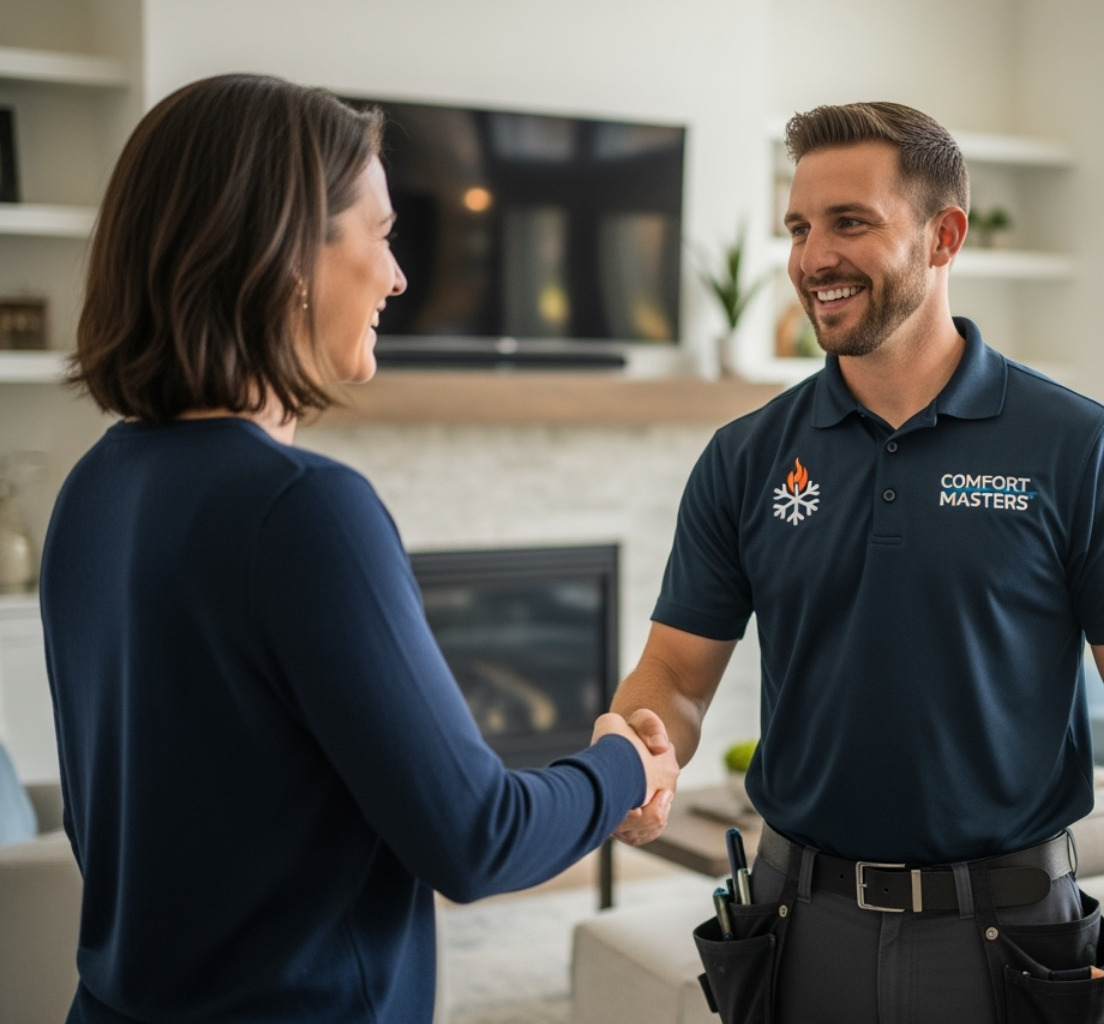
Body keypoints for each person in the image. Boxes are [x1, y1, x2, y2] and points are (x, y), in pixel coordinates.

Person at [39, 73, 677, 1024]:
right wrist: (624, 765)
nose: (398, 275)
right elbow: (476, 838)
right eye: (379, 235)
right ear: (291, 254)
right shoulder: (301, 511)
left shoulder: (93, 489)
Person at [611, 102, 1104, 1023]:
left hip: (1013, 940)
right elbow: (679, 674)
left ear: (945, 237)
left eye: (850, 223)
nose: (813, 259)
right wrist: (638, 752)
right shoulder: (744, 458)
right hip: (798, 928)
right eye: (801, 229)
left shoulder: (1076, 446)